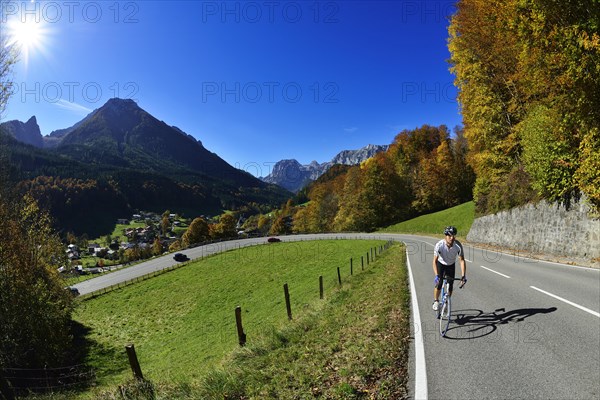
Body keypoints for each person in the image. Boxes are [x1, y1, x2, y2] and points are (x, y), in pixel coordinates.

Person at [432, 226, 467, 311]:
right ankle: (436, 301)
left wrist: (463, 276)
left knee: (450, 285)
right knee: (439, 283)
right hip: (441, 264)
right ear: (445, 236)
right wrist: (437, 275)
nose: (452, 238)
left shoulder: (458, 246)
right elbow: (434, 261)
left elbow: (462, 260)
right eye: (450, 236)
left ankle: (446, 303)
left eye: (454, 236)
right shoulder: (439, 245)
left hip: (451, 265)